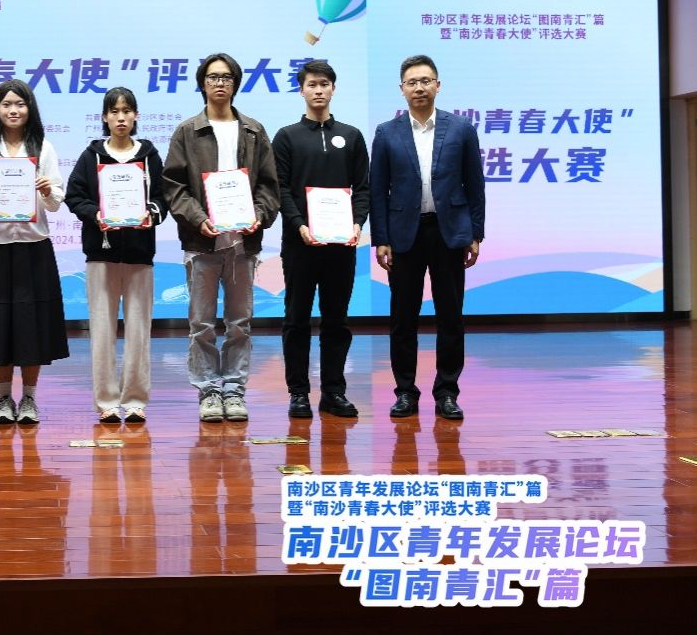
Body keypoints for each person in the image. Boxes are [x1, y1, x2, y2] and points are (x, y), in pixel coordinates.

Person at [163, 53, 280, 423]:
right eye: (213, 77)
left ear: (235, 83)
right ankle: (209, 390)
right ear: (202, 83)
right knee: (201, 323)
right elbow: (173, 186)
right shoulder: (187, 131)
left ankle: (234, 388)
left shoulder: (254, 130)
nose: (219, 83)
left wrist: (258, 215)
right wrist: (198, 219)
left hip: (244, 242)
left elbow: (269, 185)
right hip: (203, 241)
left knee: (239, 322)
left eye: (226, 77)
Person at [371, 54, 486, 421]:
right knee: (402, 318)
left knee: (450, 316)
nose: (419, 87)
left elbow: (475, 185)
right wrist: (381, 238)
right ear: (402, 89)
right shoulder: (386, 132)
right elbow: (378, 190)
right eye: (412, 82)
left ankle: (447, 392)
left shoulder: (461, 128)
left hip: (449, 232)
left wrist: (475, 234)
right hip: (403, 235)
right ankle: (405, 392)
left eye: (425, 81)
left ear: (438, 85)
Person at [0, 79, 69, 425]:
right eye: (6, 104)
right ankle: (5, 398)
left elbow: (56, 203)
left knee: (31, 324)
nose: (13, 110)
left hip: (34, 247)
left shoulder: (43, 149)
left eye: (20, 104)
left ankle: (30, 399)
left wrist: (48, 190)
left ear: (30, 109)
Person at [272, 60, 370, 420]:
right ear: (301, 90)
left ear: (333, 89)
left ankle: (333, 391)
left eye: (324, 84)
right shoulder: (286, 136)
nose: (318, 90)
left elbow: (363, 188)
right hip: (300, 244)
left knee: (336, 321)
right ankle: (298, 392)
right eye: (312, 84)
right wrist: (299, 224)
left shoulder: (352, 136)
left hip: (341, 245)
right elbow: (281, 188)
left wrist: (357, 222)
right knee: (296, 319)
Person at [64, 87, 167, 423]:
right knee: (102, 329)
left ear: (136, 116)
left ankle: (135, 400)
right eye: (114, 111)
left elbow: (163, 198)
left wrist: (151, 214)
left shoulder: (149, 155)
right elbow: (74, 196)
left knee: (139, 330)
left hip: (140, 254)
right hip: (101, 253)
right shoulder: (91, 156)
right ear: (105, 117)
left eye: (126, 111)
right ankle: (107, 401)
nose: (120, 118)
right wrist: (96, 214)